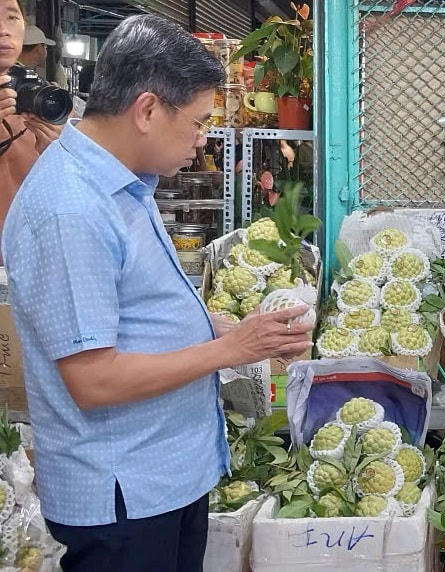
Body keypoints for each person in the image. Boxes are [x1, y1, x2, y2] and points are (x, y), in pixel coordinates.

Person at [2, 13, 313, 572]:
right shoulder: (71, 209)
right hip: (123, 499)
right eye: (197, 122)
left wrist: (234, 333)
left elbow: (134, 316)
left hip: (163, 480)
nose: (203, 138)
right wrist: (230, 349)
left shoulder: (123, 183)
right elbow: (94, 380)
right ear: (147, 110)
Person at [0, 0, 63, 255]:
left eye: (12, 17)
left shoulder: (45, 102)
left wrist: (59, 156)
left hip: (31, 262)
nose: (3, 30)